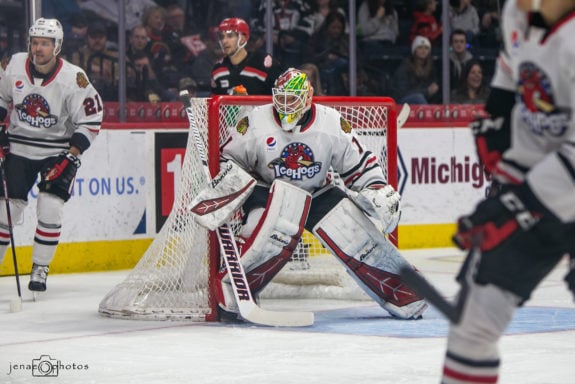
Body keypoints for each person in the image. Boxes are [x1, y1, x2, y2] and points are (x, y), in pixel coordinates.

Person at [209, 68, 428, 320]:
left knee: (352, 231)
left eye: (292, 98)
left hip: (316, 193)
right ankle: (233, 291)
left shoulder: (331, 122)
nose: (285, 105)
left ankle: (404, 292)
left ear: (307, 96)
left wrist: (375, 188)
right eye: (281, 98)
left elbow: (359, 164)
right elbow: (228, 159)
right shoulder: (256, 121)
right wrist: (227, 187)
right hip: (269, 193)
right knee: (269, 230)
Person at [440, 1, 575, 382]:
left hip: (553, 188)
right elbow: (512, 66)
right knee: (473, 324)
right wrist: (498, 115)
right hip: (542, 188)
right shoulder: (518, 12)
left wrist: (516, 206)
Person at [0, 18, 102, 292]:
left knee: (50, 207)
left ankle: (40, 268)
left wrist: (71, 154)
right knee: (5, 210)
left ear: (57, 46)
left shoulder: (74, 78)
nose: (38, 48)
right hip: (19, 149)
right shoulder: (12, 66)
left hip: (56, 151)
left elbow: (91, 120)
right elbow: (0, 99)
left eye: (45, 43)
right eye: (35, 42)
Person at [211, 18, 283, 96]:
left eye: (230, 36)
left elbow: (282, 98)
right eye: (222, 37)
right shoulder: (218, 69)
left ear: (243, 39)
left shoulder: (264, 64)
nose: (224, 41)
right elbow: (214, 102)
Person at [391, 35, 440, 104]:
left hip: (423, 99)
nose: (423, 51)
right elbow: (402, 92)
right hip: (402, 101)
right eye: (420, 48)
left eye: (426, 48)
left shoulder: (431, 67)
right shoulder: (405, 67)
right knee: (418, 98)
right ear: (414, 50)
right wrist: (426, 92)